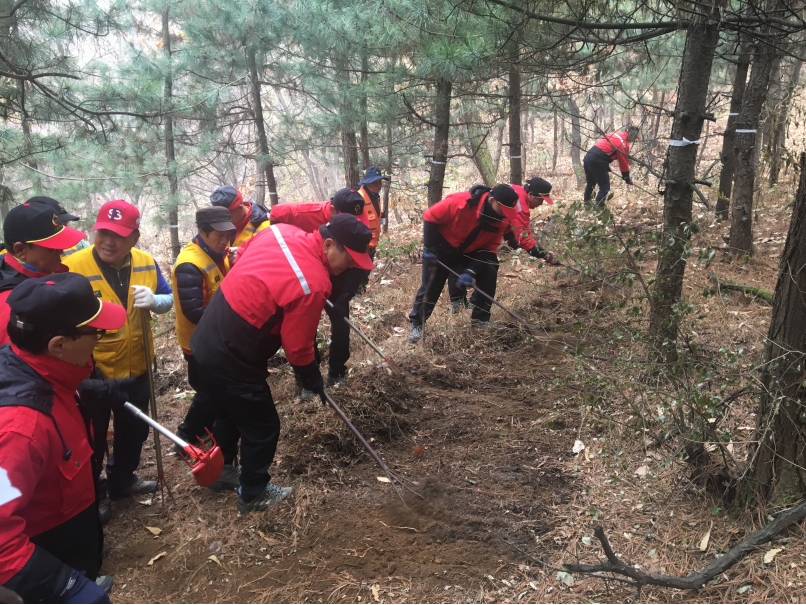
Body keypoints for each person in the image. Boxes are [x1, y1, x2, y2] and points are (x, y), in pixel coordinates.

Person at [190, 214, 373, 513]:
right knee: (263, 425)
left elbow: (243, 256)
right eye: (348, 259)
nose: (349, 267)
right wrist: (311, 378)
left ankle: (222, 470)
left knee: (232, 409)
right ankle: (253, 492)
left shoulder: (281, 232)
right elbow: (298, 346)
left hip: (209, 332)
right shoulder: (313, 283)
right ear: (328, 244)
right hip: (236, 349)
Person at [0, 272, 127, 604]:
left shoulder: (36, 365)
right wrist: (61, 585)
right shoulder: (19, 431)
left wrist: (87, 388)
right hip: (42, 564)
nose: (99, 339)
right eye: (95, 332)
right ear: (58, 344)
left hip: (71, 535)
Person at [64, 200, 174, 503]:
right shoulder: (72, 267)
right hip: (92, 373)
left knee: (133, 431)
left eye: (119, 235)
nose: (108, 241)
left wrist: (154, 301)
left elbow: (168, 299)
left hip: (137, 367)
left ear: (135, 238)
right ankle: (93, 492)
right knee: (91, 438)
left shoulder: (145, 262)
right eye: (103, 232)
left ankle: (122, 480)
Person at [269, 188, 368, 392]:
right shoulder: (304, 213)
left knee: (341, 322)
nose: (354, 222)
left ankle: (337, 372)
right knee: (305, 325)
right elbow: (274, 220)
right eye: (346, 217)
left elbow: (358, 263)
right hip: (306, 274)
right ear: (332, 210)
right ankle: (307, 378)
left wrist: (345, 295)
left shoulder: (358, 225)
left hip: (339, 274)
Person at [172, 207, 239, 491]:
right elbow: (193, 310)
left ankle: (189, 438)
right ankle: (192, 442)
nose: (224, 241)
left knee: (211, 397)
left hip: (216, 342)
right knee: (217, 398)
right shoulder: (190, 264)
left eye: (227, 235)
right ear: (202, 232)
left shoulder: (217, 254)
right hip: (200, 345)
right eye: (219, 236)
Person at [407, 184, 520, 343]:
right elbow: (430, 216)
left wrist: (471, 271)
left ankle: (480, 318)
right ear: (492, 200)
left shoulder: (501, 220)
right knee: (431, 286)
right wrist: (430, 248)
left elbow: (489, 250)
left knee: (489, 269)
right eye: (504, 209)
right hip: (440, 248)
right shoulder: (460, 202)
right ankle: (417, 323)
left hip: (469, 251)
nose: (506, 215)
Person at [448, 177, 557, 313]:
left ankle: (473, 304)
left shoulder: (516, 190)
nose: (541, 204)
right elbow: (524, 239)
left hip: (486, 229)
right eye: (540, 200)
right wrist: (545, 256)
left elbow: (508, 222)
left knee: (490, 265)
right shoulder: (520, 206)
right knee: (462, 258)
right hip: (471, 228)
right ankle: (458, 303)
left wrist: (510, 237)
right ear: (530, 194)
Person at [0, 201, 86, 344]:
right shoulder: (13, 309)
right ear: (20, 250)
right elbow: (21, 363)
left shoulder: (44, 272)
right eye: (52, 248)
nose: (62, 251)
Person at [583, 125, 639, 206]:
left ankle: (586, 207)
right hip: (598, 160)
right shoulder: (623, 144)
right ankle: (597, 209)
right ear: (631, 135)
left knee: (590, 184)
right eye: (635, 138)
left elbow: (603, 146)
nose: (634, 140)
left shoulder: (614, 134)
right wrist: (626, 177)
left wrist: (604, 164)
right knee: (604, 187)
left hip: (588, 157)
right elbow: (623, 162)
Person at [355, 167, 390, 290]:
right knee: (359, 269)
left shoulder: (375, 197)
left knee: (367, 267)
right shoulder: (359, 199)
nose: (379, 185)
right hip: (362, 243)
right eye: (375, 182)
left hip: (372, 242)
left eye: (380, 182)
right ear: (367, 183)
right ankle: (356, 290)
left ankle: (361, 288)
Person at [26, 196, 91, 257]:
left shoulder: (78, 244)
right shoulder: (29, 255)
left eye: (66, 223)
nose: (65, 229)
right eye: (60, 225)